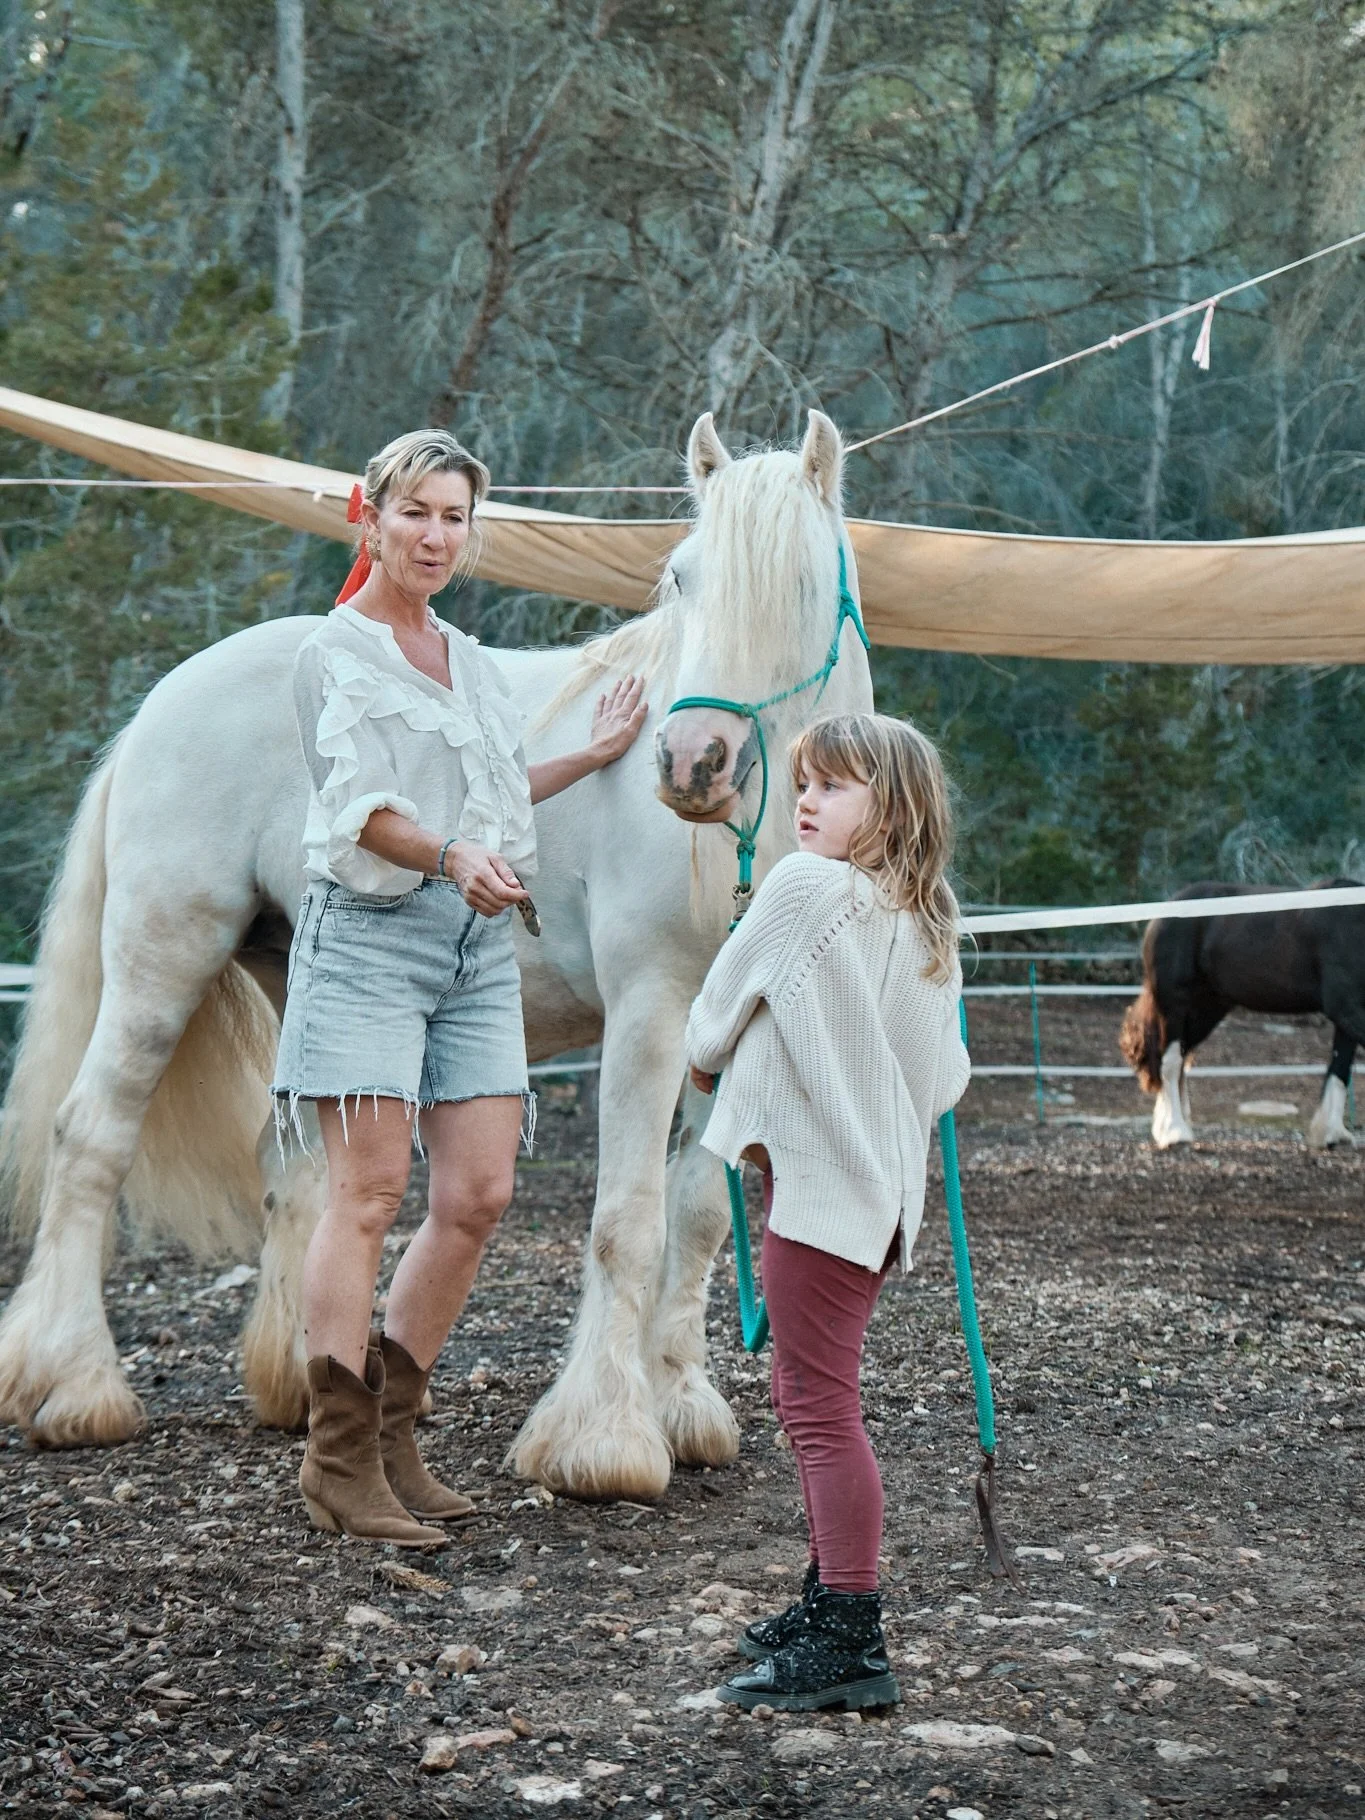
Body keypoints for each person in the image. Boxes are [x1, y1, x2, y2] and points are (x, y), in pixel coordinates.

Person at [275, 427, 648, 1548]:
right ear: (372, 517)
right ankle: (337, 1462)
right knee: (368, 1193)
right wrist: (449, 856)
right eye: (417, 513)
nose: (436, 536)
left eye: (454, 517)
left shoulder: (469, 659)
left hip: (476, 946)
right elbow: (362, 813)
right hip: (370, 938)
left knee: (479, 1193)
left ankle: (395, 1436)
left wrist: (588, 756)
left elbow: (493, 789)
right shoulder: (333, 653)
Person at [685, 712, 971, 1710]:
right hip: (877, 1198)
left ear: (892, 808)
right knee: (814, 1395)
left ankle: (850, 1631)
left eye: (834, 785)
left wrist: (722, 1054)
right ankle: (825, 1597)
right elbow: (946, 1078)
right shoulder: (929, 917)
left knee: (816, 1407)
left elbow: (711, 1023)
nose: (805, 801)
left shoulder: (805, 887)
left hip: (819, 1191)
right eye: (805, 782)